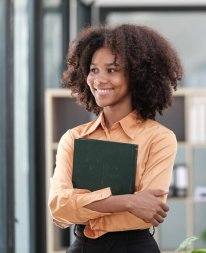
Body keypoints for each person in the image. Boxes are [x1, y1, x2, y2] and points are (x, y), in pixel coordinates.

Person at [48, 23, 183, 253]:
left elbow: (148, 213)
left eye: (111, 70)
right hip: (82, 247)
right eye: (93, 70)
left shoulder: (159, 138)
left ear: (137, 75)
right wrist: (129, 201)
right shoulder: (73, 138)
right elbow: (59, 208)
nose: (99, 80)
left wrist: (82, 205)